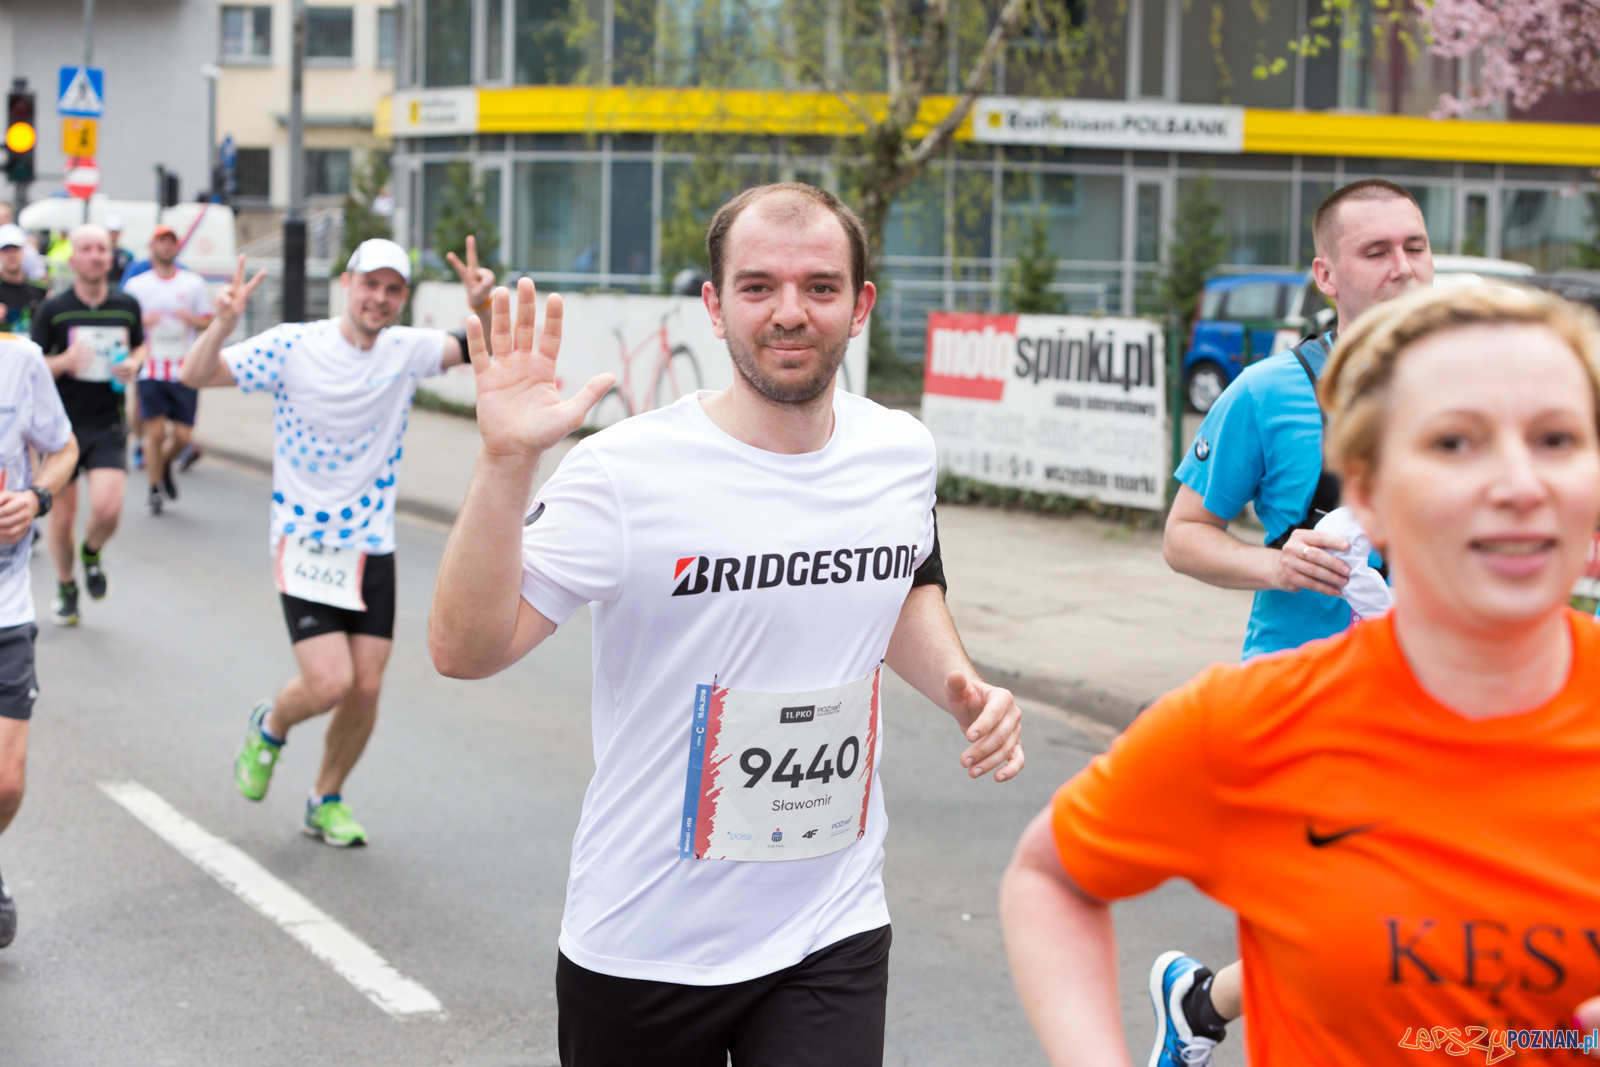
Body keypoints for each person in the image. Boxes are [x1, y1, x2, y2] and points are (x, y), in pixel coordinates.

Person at [429, 183, 1026, 1067]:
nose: (790, 312)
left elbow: (903, 583)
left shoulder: (900, 452)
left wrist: (958, 687)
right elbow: (464, 650)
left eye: (820, 287)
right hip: (645, 940)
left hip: (832, 924)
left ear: (860, 305)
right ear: (714, 305)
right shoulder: (626, 473)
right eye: (758, 288)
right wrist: (505, 461)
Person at [1000, 284, 1600, 1066]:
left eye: (1557, 439)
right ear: (1370, 495)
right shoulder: (1249, 722)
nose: (1519, 483)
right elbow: (1050, 878)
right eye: (1455, 442)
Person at [1148, 178, 1435, 1063]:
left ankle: (1201, 1000)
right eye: (1375, 251)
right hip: (1301, 703)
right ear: (1326, 274)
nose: (1402, 268)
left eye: (1415, 247)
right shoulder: (1269, 392)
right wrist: (1275, 562)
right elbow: (1184, 536)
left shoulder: (1480, 385)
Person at [179, 237, 495, 846]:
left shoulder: (406, 351)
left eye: (392, 289)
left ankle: (325, 798)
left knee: (367, 686)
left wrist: (476, 304)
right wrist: (220, 325)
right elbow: (197, 374)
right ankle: (270, 725)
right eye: (369, 283)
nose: (379, 297)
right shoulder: (293, 345)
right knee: (329, 684)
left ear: (402, 299)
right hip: (304, 543)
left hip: (372, 545)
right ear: (346, 284)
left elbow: (466, 345)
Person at [0, 331, 79, 948]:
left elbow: (64, 446)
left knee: (6, 783)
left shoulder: (20, 360)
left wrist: (36, 496)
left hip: (6, 605)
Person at [33, 224, 146, 627]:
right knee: (62, 520)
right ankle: (66, 587)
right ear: (74, 258)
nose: (96, 255)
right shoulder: (54, 308)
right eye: (87, 248)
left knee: (109, 508)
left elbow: (139, 343)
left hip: (107, 422)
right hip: (61, 428)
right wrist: (63, 362)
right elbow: (35, 362)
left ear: (110, 256)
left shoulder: (126, 305)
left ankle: (92, 553)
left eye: (102, 248)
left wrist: (135, 362)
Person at [123, 224, 213, 515]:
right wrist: (141, 323)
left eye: (171, 242)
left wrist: (192, 320)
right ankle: (153, 490)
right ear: (152, 246)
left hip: (184, 367)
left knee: (184, 436)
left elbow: (209, 321)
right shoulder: (138, 286)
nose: (166, 246)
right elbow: (124, 322)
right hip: (151, 366)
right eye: (161, 241)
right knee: (156, 431)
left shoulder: (192, 283)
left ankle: (162, 467)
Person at [0, 224, 46, 334]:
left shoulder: (41, 289)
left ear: (23, 251)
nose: (11, 254)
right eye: (5, 249)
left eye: (15, 248)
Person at [103, 216, 134, 285]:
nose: (114, 234)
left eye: (116, 231)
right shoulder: (101, 254)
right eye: (111, 231)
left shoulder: (127, 254)